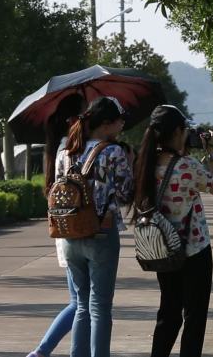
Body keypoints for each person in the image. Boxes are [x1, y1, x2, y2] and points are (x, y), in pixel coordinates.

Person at [132, 105, 213, 357]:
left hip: (164, 250)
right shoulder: (187, 166)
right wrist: (211, 155)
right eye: (184, 130)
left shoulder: (145, 166)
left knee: (169, 314)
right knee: (194, 318)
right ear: (176, 132)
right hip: (194, 250)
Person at [58, 96, 133, 357]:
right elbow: (125, 194)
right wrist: (130, 161)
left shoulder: (66, 153)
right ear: (106, 124)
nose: (122, 124)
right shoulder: (114, 152)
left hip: (69, 235)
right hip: (101, 233)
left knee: (81, 306)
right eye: (119, 120)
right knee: (100, 307)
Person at [27, 94, 84, 357]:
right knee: (82, 303)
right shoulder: (70, 151)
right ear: (74, 119)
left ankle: (43, 352)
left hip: (64, 230)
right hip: (75, 230)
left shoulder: (58, 149)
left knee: (80, 301)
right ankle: (41, 351)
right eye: (84, 115)